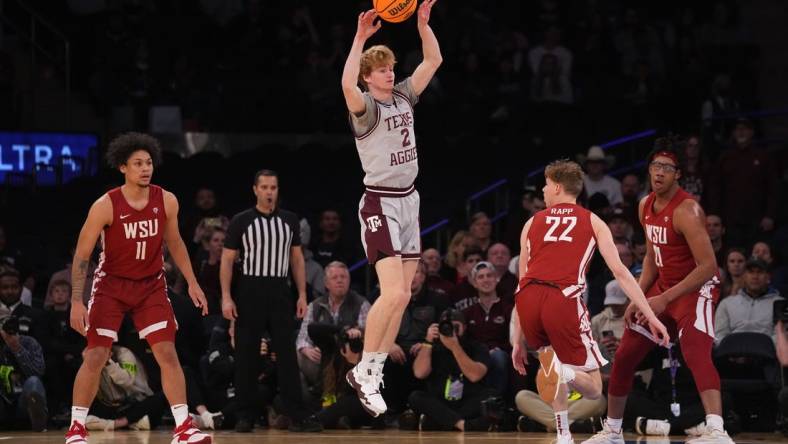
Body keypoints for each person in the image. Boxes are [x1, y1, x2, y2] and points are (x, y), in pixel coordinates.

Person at [583, 138, 734, 444]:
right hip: (662, 290)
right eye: (655, 166)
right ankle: (612, 431)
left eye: (667, 167)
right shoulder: (644, 205)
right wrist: (637, 297)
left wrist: (664, 297)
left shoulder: (688, 210)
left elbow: (709, 267)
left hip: (697, 289)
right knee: (625, 355)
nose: (660, 172)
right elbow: (652, 258)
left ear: (678, 173)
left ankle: (717, 431)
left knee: (695, 350)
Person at [66, 132, 211, 444]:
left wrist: (193, 282)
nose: (145, 168)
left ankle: (184, 427)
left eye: (148, 163)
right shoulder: (105, 205)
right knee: (96, 354)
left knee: (167, 353)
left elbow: (175, 242)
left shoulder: (167, 200)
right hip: (111, 287)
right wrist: (77, 302)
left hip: (150, 286)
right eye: (137, 164)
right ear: (123, 168)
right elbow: (81, 255)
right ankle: (77, 426)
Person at [510, 159, 669, 444]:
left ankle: (563, 435)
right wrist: (652, 316)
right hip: (562, 298)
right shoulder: (592, 220)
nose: (543, 192)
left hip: (529, 300)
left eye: (546, 186)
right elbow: (620, 272)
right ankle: (566, 373)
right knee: (594, 388)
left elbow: (521, 281)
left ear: (558, 187)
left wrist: (517, 341)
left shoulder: (531, 222)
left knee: (550, 363)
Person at [341, 0, 442, 417]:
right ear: (369, 77)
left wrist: (422, 25)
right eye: (380, 69)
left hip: (409, 201)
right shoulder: (365, 107)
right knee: (395, 291)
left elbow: (434, 58)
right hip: (380, 202)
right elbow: (345, 86)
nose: (389, 71)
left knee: (401, 299)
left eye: (390, 66)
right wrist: (361, 37)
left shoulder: (403, 96)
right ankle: (364, 367)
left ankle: (372, 371)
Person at [220, 169, 322, 433]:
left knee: (287, 356)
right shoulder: (241, 220)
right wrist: (227, 297)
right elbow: (227, 260)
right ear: (255, 189)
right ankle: (246, 415)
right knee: (246, 355)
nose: (268, 192)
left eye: (273, 187)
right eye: (264, 187)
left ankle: (296, 415)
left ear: (277, 190)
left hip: (279, 290)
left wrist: (301, 294)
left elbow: (297, 259)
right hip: (249, 289)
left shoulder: (289, 220)